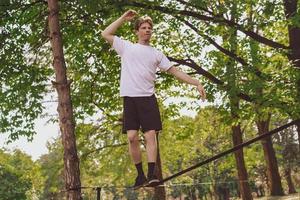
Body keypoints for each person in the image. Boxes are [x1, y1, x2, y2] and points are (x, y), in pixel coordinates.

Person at [101, 10, 206, 189]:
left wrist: (196, 82)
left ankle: (152, 175)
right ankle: (140, 175)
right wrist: (122, 19)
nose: (147, 30)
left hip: (147, 99)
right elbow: (106, 33)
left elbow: (175, 72)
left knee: (150, 135)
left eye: (150, 28)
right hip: (130, 99)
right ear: (137, 31)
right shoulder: (126, 47)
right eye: (143, 27)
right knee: (132, 137)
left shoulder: (157, 53)